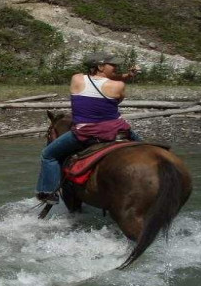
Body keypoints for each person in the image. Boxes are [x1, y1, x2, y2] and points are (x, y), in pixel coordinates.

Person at [34, 52, 142, 204]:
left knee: (48, 155)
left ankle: (48, 192)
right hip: (117, 130)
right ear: (100, 66)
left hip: (86, 133)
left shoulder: (76, 79)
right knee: (145, 146)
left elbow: (101, 79)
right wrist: (127, 76)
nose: (116, 67)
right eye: (113, 65)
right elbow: (113, 92)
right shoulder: (119, 85)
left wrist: (124, 75)